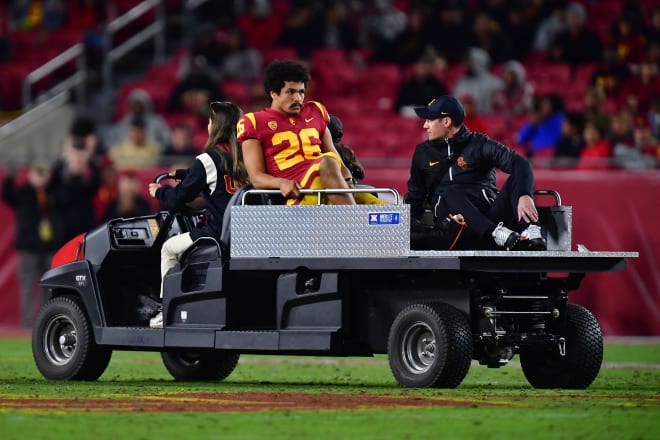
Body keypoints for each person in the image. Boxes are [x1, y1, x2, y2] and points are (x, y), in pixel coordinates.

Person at [147, 101, 247, 328]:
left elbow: (179, 196)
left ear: (218, 126)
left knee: (168, 248)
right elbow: (213, 182)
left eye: (211, 121)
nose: (208, 125)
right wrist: (184, 173)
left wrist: (159, 192)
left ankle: (167, 309)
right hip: (240, 233)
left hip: (217, 232)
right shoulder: (242, 158)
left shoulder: (208, 158)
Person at [405, 95, 545, 251]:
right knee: (449, 192)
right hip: (455, 232)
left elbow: (520, 163)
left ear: (446, 122)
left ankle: (531, 233)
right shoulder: (422, 153)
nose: (425, 125)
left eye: (430, 120)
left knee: (518, 179)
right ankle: (495, 233)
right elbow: (414, 200)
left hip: (496, 225)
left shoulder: (479, 144)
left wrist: (524, 195)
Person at [237, 59, 356, 205]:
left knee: (377, 206)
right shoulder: (254, 122)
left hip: (331, 184)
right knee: (328, 161)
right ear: (273, 94)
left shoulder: (316, 111)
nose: (298, 98)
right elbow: (256, 177)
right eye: (291, 92)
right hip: (300, 193)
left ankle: (353, 216)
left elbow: (334, 155)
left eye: (301, 92)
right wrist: (281, 183)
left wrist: (348, 181)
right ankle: (354, 219)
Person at [2, 163, 64, 327]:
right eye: (37, 173)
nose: (41, 177)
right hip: (29, 247)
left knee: (50, 287)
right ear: (30, 175)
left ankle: (47, 321)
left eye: (43, 173)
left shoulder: (54, 192)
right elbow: (7, 194)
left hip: (50, 247)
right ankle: (27, 323)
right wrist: (10, 177)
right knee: (27, 286)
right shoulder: (24, 193)